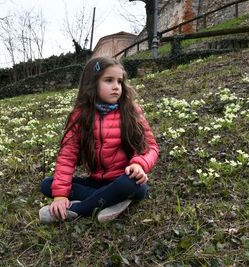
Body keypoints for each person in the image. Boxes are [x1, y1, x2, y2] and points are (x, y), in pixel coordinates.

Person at [39, 56, 159, 223]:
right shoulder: (80, 116)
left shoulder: (131, 111)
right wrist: (60, 195)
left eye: (119, 81)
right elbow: (67, 156)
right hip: (96, 182)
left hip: (125, 179)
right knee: (47, 185)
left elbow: (151, 147)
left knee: (132, 185)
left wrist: (139, 164)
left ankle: (77, 210)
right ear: (92, 83)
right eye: (109, 80)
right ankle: (114, 200)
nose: (116, 87)